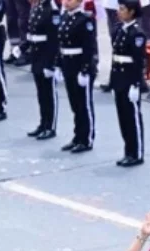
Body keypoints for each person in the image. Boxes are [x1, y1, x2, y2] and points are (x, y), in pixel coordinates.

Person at [110, 0, 146, 167]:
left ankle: (136, 153)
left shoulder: (136, 34)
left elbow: (138, 63)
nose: (119, 11)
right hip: (119, 78)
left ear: (131, 12)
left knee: (132, 118)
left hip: (130, 78)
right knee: (123, 117)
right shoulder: (118, 29)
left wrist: (136, 85)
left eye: (123, 9)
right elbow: (115, 58)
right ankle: (128, 151)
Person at [57, 0, 96, 154]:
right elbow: (61, 43)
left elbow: (89, 47)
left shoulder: (85, 20)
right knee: (74, 103)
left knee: (84, 104)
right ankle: (77, 136)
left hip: (80, 64)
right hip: (68, 64)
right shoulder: (65, 17)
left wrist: (85, 69)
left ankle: (86, 139)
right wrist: (59, 65)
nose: (66, 2)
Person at [25, 0, 60, 141]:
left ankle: (50, 126)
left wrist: (51, 63)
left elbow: (54, 39)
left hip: (46, 54)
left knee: (49, 92)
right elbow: (31, 31)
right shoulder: (37, 6)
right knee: (41, 92)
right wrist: (23, 48)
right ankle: (43, 123)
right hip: (36, 53)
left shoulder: (52, 9)